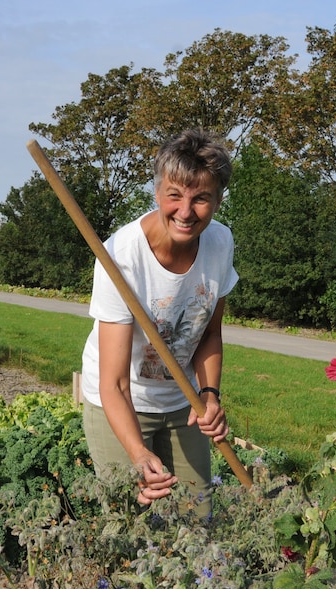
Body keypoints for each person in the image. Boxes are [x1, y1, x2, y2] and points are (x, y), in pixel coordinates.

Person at [80, 129, 236, 513]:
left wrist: (209, 395)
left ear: (218, 200)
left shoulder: (220, 243)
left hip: (184, 405)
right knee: (131, 520)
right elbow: (114, 383)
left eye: (201, 198)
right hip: (120, 402)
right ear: (157, 192)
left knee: (198, 516)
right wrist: (136, 453)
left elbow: (209, 333)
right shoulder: (121, 257)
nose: (186, 211)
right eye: (175, 195)